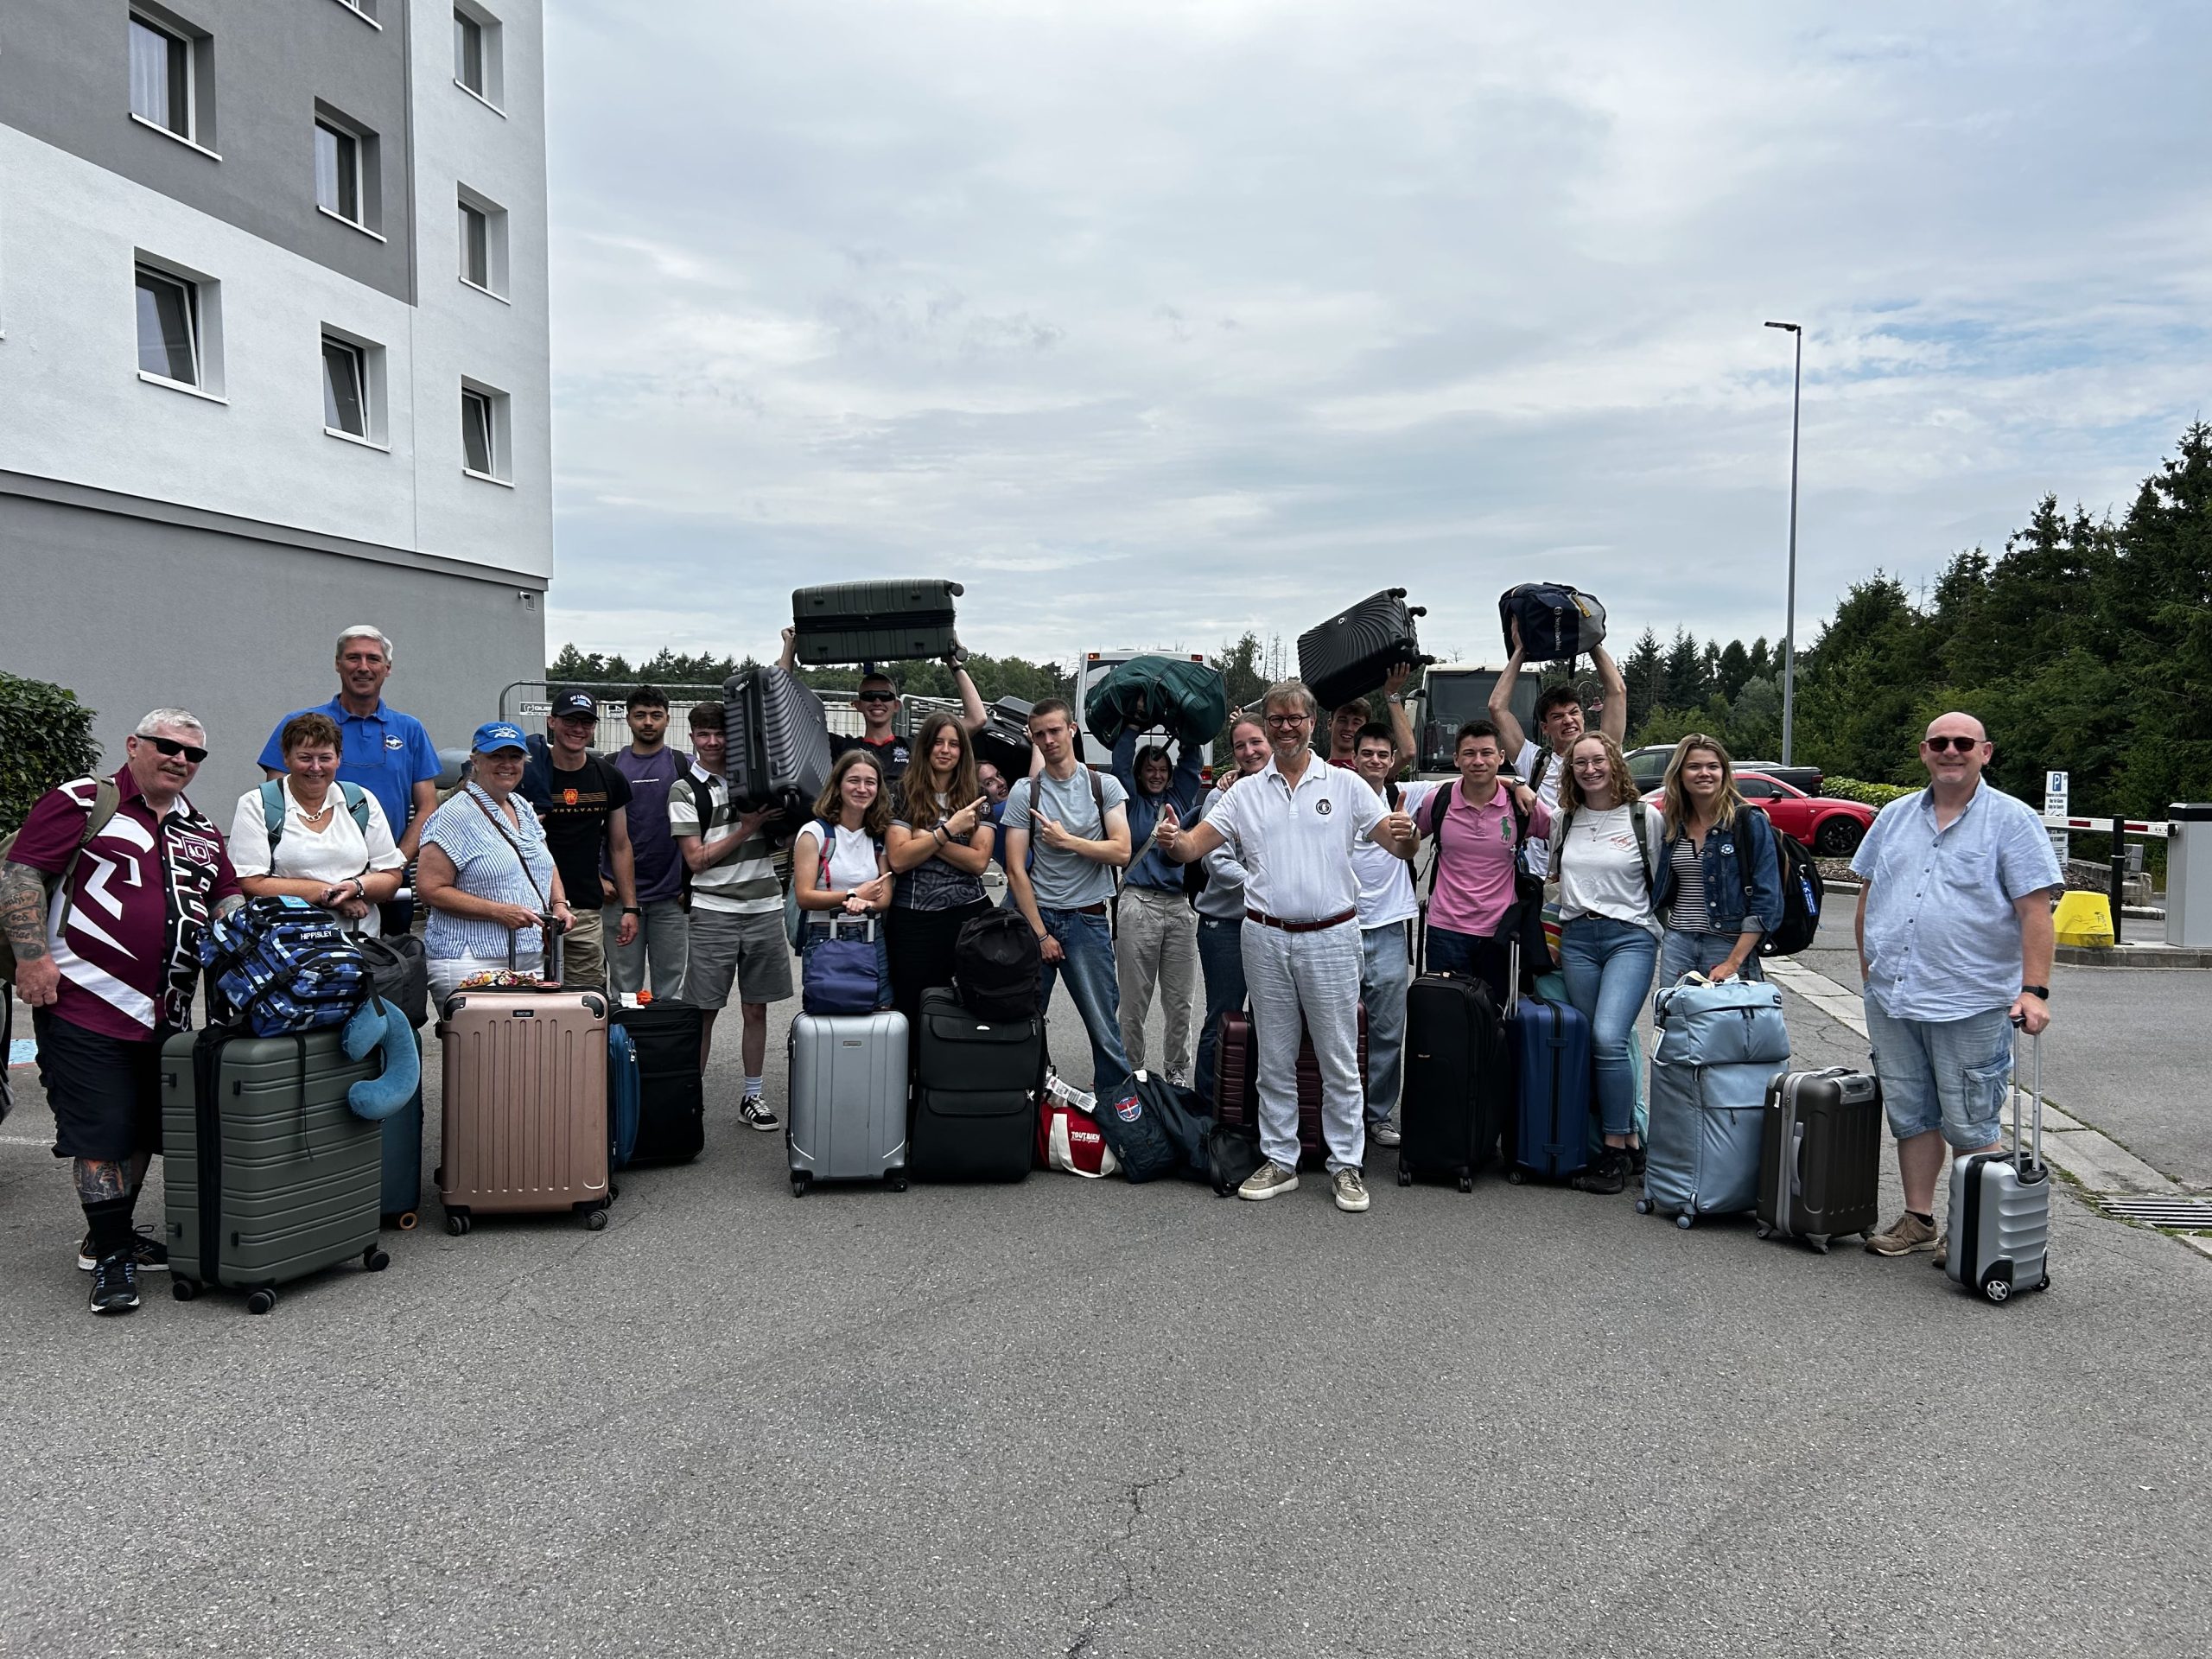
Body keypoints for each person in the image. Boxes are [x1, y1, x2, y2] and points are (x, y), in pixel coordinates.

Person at [1, 710, 241, 1315]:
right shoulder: (83, 801)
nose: (180, 760)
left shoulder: (201, 828)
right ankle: (110, 1259)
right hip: (85, 1003)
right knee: (101, 1132)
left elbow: (227, 895)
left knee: (142, 1131)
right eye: (167, 747)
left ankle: (109, 1233)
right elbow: (21, 872)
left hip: (168, 1015)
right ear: (134, 746)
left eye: (193, 754)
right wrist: (31, 960)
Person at [1156, 681, 1416, 1213]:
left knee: (1338, 1057)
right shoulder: (1243, 794)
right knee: (1273, 1058)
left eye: (1295, 718)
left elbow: (1396, 843)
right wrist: (1171, 840)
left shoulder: (1344, 785)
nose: (1285, 727)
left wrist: (1408, 834)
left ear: (1312, 723)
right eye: (1276, 719)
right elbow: (1192, 847)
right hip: (1265, 936)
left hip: (1331, 935)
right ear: (1266, 723)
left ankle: (1346, 1165)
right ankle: (1281, 1158)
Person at [1853, 713, 2061, 1261]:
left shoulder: (2011, 820)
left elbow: (2035, 912)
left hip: (1969, 998)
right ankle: (1918, 1219)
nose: (1951, 751)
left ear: (1985, 753)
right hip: (1893, 996)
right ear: (1924, 752)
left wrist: (2034, 991)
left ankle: (1970, 1229)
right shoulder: (1894, 817)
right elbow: (1869, 894)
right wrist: (1867, 970)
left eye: (1963, 743)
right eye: (1940, 743)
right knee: (1911, 1114)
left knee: (1970, 1119)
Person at [257, 626, 442, 933]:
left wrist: (393, 867)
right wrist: (328, 887)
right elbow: (274, 801)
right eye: (353, 658)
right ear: (337, 664)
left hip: (388, 883)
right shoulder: (301, 725)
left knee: (390, 974)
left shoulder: (409, 729)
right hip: (310, 886)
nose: (363, 667)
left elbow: (426, 808)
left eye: (373, 658)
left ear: (388, 668)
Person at [1547, 732, 1662, 1197]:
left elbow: (1663, 880)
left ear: (1614, 762)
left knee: (1609, 1037)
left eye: (1598, 760)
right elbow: (1554, 881)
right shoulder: (1565, 819)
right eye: (1580, 763)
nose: (1589, 769)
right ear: (1570, 771)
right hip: (1577, 939)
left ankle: (1614, 1147)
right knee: (1597, 1046)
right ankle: (1632, 1142)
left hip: (1629, 938)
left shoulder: (1643, 818)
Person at [1001, 700, 1135, 1097]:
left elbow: (1121, 851)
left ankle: (1119, 1114)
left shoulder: (1103, 786)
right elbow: (1014, 869)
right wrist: (1041, 935)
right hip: (1038, 920)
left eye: (1054, 731)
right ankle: (1022, 1104)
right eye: (1039, 734)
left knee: (1103, 1027)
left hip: (1088, 922)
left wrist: (1066, 841)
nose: (1048, 740)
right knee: (1024, 1018)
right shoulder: (1027, 791)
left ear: (1072, 730)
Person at [669, 701, 791, 1128]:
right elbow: (697, 860)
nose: (713, 742)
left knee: (756, 1009)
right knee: (704, 1010)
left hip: (764, 909)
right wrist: (748, 827)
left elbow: (782, 843)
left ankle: (753, 1096)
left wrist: (783, 826)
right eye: (704, 734)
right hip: (713, 912)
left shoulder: (759, 782)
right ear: (692, 739)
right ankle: (688, 1099)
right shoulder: (684, 790)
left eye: (720, 733)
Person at [416, 723, 575, 1004]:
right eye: (496, 756)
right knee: (483, 1046)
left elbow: (546, 863)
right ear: (475, 760)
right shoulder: (452, 816)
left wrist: (560, 904)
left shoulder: (522, 807)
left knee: (527, 1046)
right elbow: (430, 889)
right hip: (470, 958)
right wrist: (498, 912)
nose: (507, 764)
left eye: (514, 757)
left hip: (528, 954)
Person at [1347, 721, 1446, 1146]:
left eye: (1382, 755)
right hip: (1340, 927)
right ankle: (1339, 1113)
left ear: (1391, 763)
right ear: (1353, 758)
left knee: (1387, 1030)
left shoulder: (1404, 795)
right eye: (1366, 753)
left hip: (1388, 928)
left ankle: (1377, 1115)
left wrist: (1516, 787)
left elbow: (1466, 780)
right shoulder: (1334, 795)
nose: (1374, 761)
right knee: (1336, 1029)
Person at [228, 712, 405, 932]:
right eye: (305, 758)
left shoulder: (360, 800)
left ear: (339, 758)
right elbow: (250, 883)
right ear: (286, 757)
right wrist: (329, 894)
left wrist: (355, 887)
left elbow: (391, 875)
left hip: (361, 945)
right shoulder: (257, 804)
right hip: (286, 949)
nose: (315, 767)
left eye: (325, 758)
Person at [1416, 719, 1549, 1007]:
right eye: (1469, 753)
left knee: (1496, 1022)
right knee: (1445, 1019)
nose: (1478, 761)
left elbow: (1564, 834)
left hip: (1501, 934)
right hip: (1445, 931)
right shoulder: (1437, 801)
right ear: (1456, 759)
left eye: (1487, 753)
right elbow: (1408, 844)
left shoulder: (1522, 805)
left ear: (1501, 757)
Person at [518, 689, 638, 992]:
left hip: (582, 908)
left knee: (585, 997)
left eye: (586, 722)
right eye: (570, 721)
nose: (578, 729)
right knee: (524, 997)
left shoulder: (608, 777)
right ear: (551, 722)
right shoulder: (526, 774)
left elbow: (620, 845)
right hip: (527, 908)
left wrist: (630, 907)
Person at [883, 713, 996, 1032]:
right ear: (925, 747)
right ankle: (911, 1079)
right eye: (938, 742)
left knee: (968, 1008)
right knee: (911, 1007)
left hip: (968, 916)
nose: (945, 750)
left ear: (963, 751)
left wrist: (928, 838)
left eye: (954, 744)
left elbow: (978, 863)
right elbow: (900, 859)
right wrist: (949, 831)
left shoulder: (976, 797)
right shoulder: (901, 792)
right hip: (914, 919)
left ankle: (955, 1078)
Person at [1487, 620, 1626, 879]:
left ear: (1583, 717)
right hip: (1539, 876)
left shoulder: (1602, 754)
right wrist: (1520, 651)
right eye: (1558, 716)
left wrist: (1592, 641)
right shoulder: (1533, 759)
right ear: (1545, 727)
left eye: (1574, 713)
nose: (1569, 721)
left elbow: (1617, 692)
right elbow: (1497, 708)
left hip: (1590, 871)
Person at [1111, 728, 1207, 1087]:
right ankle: (1130, 1067)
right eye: (1149, 769)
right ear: (1140, 773)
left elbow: (1192, 763)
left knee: (1181, 999)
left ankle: (1176, 1069)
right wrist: (1132, 727)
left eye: (1162, 769)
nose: (1156, 774)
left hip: (1180, 908)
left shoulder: (1179, 800)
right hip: (1138, 902)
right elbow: (1120, 762)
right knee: (1134, 999)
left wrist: (1186, 729)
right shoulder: (1130, 801)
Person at [1650, 734, 1783, 986]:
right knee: (1675, 1021)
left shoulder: (1748, 821)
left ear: (1724, 772)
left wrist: (1733, 962)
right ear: (1679, 774)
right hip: (1678, 942)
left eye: (1713, 766)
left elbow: (1768, 900)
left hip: (1727, 943)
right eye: (1694, 767)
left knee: (1727, 1023)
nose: (1704, 773)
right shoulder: (1672, 825)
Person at [780, 632, 988, 787]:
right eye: (869, 696)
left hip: (906, 836)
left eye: (885, 696)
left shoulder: (915, 746)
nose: (877, 701)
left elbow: (976, 719)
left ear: (896, 705)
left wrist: (953, 662)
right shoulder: (841, 747)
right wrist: (789, 649)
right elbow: (783, 716)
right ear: (858, 705)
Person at [1190, 713, 1270, 1103]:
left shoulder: (1287, 794)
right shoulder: (1220, 797)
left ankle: (1255, 1108)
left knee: (1273, 1022)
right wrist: (1269, 889)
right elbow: (1216, 863)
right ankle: (1209, 1111)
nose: (1249, 751)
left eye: (1256, 742)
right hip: (1227, 925)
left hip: (1276, 926)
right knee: (1223, 1016)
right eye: (1240, 745)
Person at [793, 750, 895, 1009]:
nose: (862, 789)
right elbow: (804, 896)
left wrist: (864, 902)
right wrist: (852, 896)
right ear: (838, 785)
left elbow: (883, 898)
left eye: (870, 782)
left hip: (871, 936)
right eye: (853, 780)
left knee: (878, 1010)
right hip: (824, 935)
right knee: (828, 1013)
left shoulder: (878, 835)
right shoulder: (814, 833)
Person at [606, 685, 690, 1000]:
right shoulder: (610, 767)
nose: (648, 723)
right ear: (628, 720)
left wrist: (690, 882)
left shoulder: (684, 765)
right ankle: (624, 1048)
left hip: (671, 898)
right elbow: (592, 830)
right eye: (640, 716)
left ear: (668, 719)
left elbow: (705, 828)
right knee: (625, 988)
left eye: (656, 715)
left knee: (671, 989)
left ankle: (665, 1048)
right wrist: (599, 876)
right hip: (619, 897)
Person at [1325, 664, 1416, 766]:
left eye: (1356, 722)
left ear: (1365, 729)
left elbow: (1408, 752)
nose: (1349, 728)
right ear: (1330, 724)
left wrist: (1391, 693)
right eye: (1342, 720)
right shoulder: (1315, 771)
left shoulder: (1373, 765)